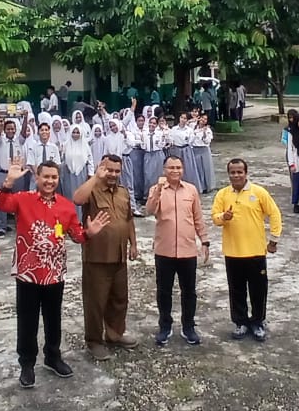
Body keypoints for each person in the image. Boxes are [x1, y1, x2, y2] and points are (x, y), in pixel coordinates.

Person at [0, 159, 111, 390]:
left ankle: (53, 356)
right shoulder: (23, 199)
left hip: (55, 273)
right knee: (27, 320)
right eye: (45, 177)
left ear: (58, 179)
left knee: (53, 317)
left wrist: (90, 232)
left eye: (53, 177)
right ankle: (27, 364)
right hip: (28, 273)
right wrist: (8, 182)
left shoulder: (66, 206)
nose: (49, 181)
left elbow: (76, 235)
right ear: (37, 178)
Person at [72, 154, 138, 362]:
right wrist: (95, 177)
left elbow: (128, 220)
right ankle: (94, 341)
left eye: (117, 171)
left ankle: (114, 334)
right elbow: (77, 199)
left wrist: (133, 244)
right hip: (97, 257)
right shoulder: (92, 190)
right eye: (109, 170)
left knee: (119, 299)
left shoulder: (123, 193)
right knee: (95, 302)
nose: (113, 174)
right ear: (102, 169)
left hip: (119, 256)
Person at [211, 159, 281, 341]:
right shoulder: (223, 194)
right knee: (236, 290)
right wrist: (223, 217)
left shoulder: (258, 192)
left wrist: (274, 239)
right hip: (233, 252)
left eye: (239, 172)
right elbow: (215, 218)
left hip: (256, 252)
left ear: (246, 173)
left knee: (258, 290)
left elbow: (274, 213)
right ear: (228, 174)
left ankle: (258, 322)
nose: (236, 175)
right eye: (233, 172)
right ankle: (240, 322)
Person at [145, 155, 208, 346]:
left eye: (178, 167)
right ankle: (165, 326)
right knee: (164, 291)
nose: (175, 171)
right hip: (164, 250)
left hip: (187, 249)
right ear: (164, 169)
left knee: (189, 291)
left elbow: (198, 217)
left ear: (183, 169)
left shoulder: (191, 190)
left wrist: (204, 241)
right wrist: (157, 190)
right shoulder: (156, 190)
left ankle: (188, 326)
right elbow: (149, 210)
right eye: (171, 168)